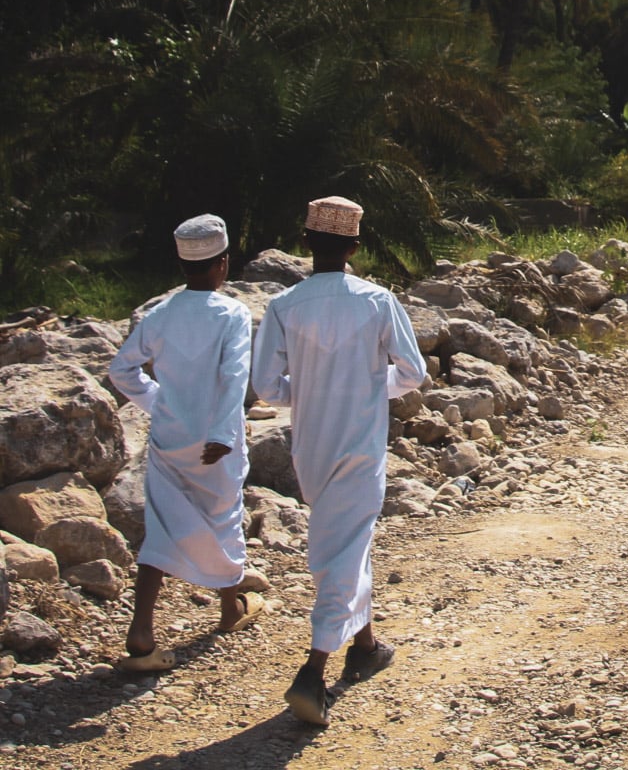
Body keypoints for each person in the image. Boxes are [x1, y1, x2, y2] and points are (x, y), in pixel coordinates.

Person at [252, 196, 426, 726]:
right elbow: (412, 372)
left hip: (310, 448)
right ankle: (313, 669)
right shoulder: (377, 301)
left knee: (346, 541)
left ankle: (366, 645)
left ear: (306, 244)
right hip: (359, 444)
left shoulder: (284, 306)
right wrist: (376, 387)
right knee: (345, 547)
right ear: (354, 245)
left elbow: (265, 386)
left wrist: (303, 391)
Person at [109, 213, 262, 671]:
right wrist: (219, 431)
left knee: (161, 523)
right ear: (223, 264)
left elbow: (122, 371)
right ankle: (229, 609)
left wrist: (158, 402)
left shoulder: (160, 315)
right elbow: (235, 374)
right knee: (225, 514)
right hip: (217, 437)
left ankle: (141, 632)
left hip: (170, 435)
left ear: (183, 267)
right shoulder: (231, 313)